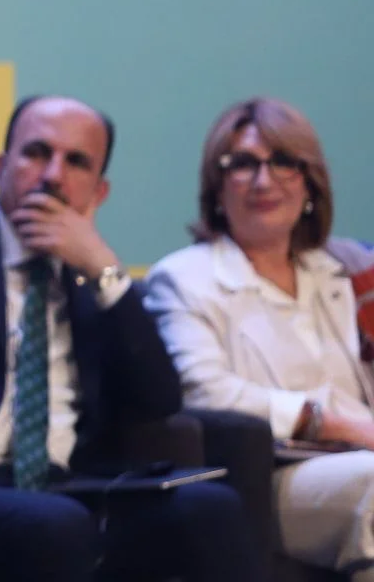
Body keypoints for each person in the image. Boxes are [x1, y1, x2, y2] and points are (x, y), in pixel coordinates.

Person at [0, 94, 265, 581]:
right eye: (36, 153)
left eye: (76, 162)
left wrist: (106, 273)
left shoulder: (91, 276)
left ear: (98, 192)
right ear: (0, 167)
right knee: (56, 525)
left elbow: (158, 401)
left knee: (209, 507)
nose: (52, 175)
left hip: (74, 482)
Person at [145, 97, 374, 579]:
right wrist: (328, 421)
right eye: (243, 163)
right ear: (217, 187)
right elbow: (204, 393)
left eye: (283, 162)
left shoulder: (344, 269)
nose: (264, 180)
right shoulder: (184, 279)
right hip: (276, 476)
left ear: (309, 183)